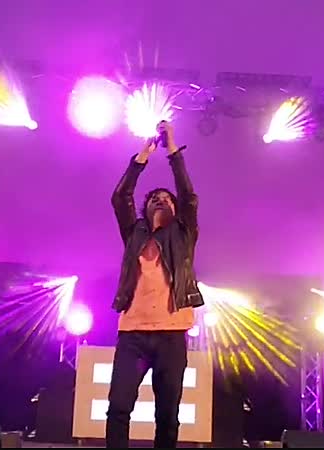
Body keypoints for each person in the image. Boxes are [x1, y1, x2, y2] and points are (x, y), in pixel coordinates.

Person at [106, 121, 204, 448]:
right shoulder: (134, 233)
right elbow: (120, 196)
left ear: (175, 210)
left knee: (167, 414)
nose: (160, 200)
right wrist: (142, 157)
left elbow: (188, 196)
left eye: (166, 199)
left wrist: (172, 146)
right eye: (154, 199)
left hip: (171, 335)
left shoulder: (184, 234)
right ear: (145, 209)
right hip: (133, 334)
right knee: (119, 407)